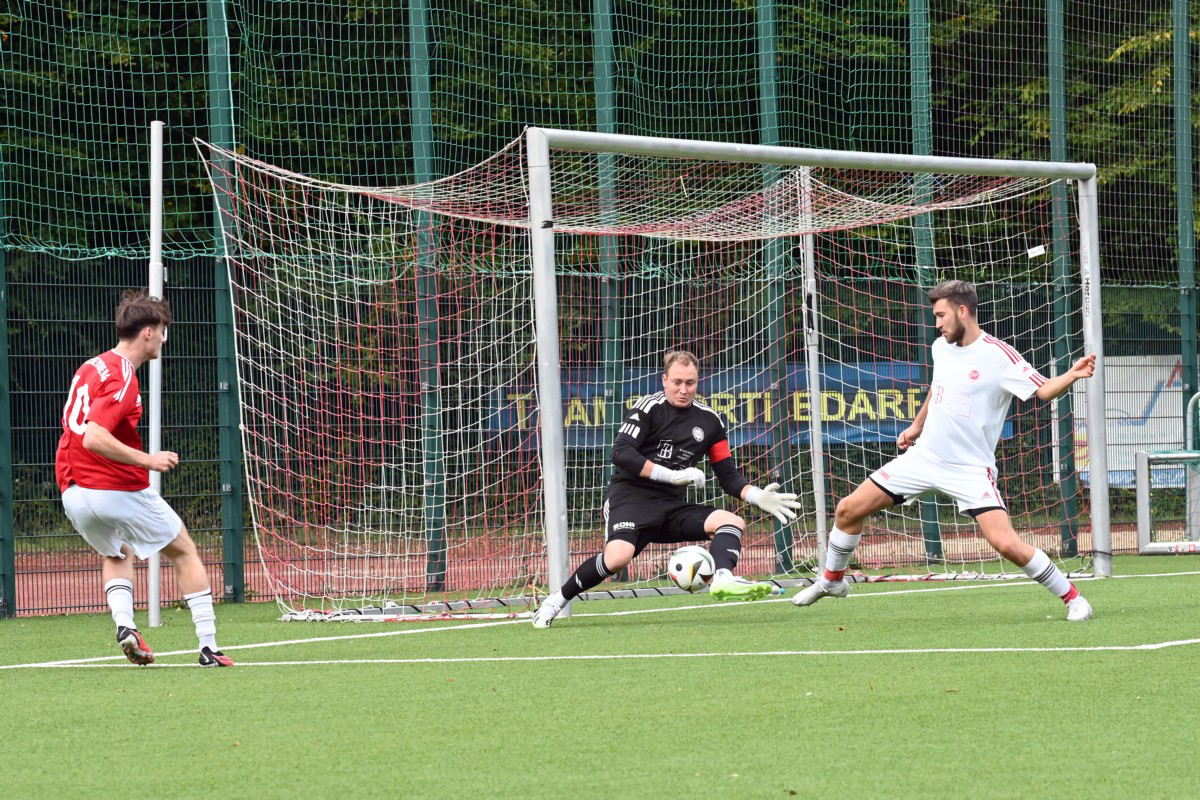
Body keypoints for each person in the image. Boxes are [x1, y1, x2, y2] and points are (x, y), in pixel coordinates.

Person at [792, 279, 1096, 621]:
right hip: (924, 458)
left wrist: (1072, 375)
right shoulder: (941, 347)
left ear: (962, 311)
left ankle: (1074, 599)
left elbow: (1043, 390)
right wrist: (916, 427)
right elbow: (938, 389)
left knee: (1006, 544)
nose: (937, 324)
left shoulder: (998, 355)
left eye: (941, 315)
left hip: (969, 470)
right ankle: (832, 580)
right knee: (848, 509)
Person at [532, 349, 802, 628]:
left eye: (690, 383)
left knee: (731, 522)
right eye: (677, 382)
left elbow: (728, 477)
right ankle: (557, 600)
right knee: (618, 558)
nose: (683, 390)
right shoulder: (649, 407)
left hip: (671, 507)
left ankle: (723, 578)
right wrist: (672, 476)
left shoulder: (711, 422)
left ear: (698, 382)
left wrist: (757, 496)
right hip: (630, 498)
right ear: (664, 380)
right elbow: (621, 452)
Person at [56, 289, 234, 666]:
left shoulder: (92, 366)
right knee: (184, 550)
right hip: (110, 485)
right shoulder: (123, 375)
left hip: (73, 490)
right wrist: (148, 460)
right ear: (148, 332)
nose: (165, 339)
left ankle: (126, 626)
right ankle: (209, 646)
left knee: (117, 550)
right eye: (163, 330)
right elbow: (94, 436)